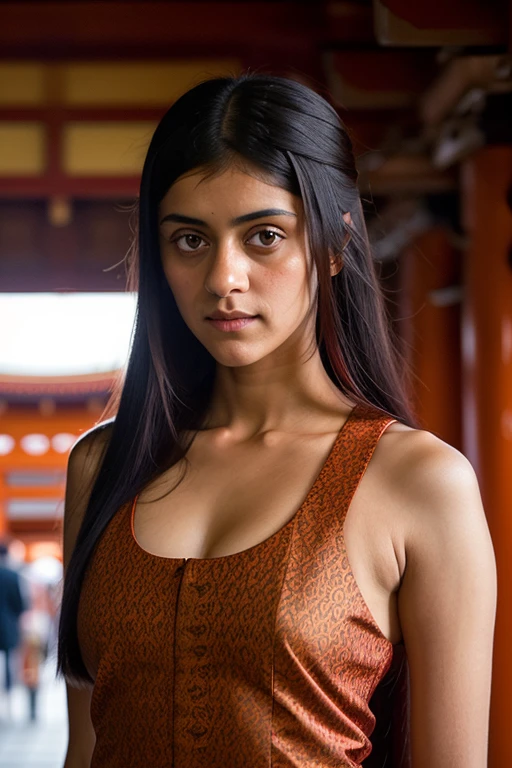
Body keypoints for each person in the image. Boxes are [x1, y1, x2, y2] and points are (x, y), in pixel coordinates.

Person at [58, 74, 497, 768]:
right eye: (190, 240)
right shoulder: (103, 467)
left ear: (332, 245)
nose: (223, 278)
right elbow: (85, 748)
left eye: (263, 235)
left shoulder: (419, 481)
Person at [0, 541, 25, 708]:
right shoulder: (11, 575)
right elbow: (20, 604)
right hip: (7, 625)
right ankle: (7, 695)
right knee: (9, 661)